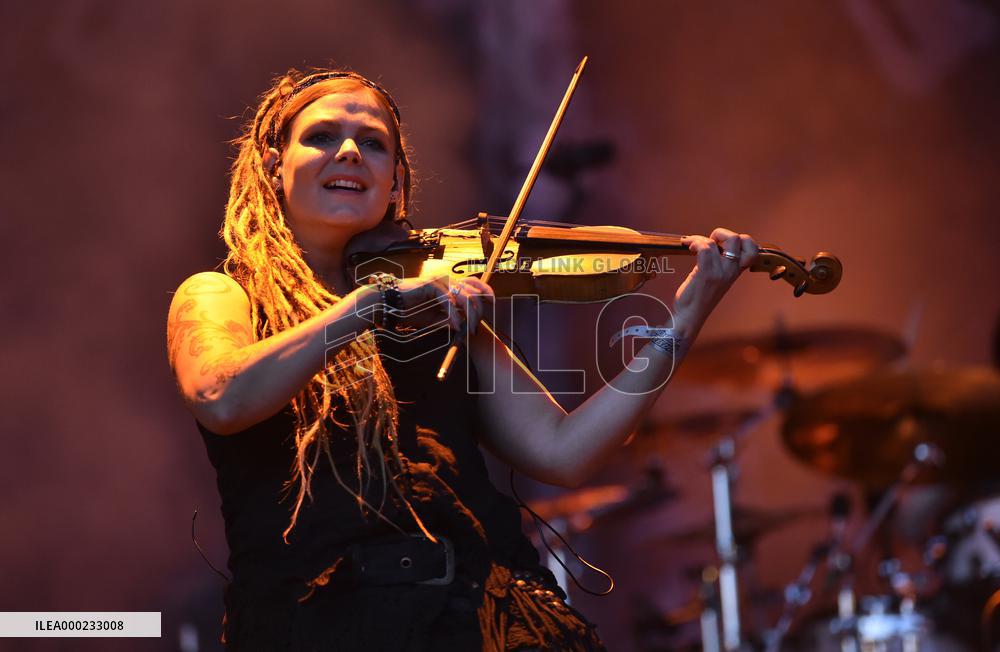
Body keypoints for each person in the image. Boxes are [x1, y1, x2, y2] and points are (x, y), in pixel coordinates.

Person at [166, 68, 759, 651]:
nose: (349, 152)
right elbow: (221, 397)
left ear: (396, 181)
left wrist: (681, 325)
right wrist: (368, 306)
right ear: (275, 165)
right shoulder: (221, 295)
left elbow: (565, 451)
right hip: (320, 623)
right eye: (321, 136)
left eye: (372, 143)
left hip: (478, 620)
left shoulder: (439, 302)